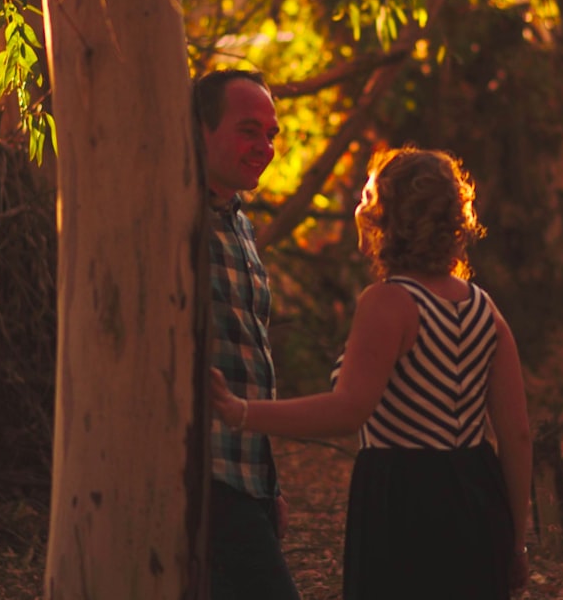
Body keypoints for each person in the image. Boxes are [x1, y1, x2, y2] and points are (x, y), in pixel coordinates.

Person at [210, 145, 532, 599]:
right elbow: (517, 435)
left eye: (367, 196)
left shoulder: (388, 303)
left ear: (391, 217)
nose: (359, 208)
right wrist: (514, 542)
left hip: (406, 501)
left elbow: (346, 412)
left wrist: (240, 412)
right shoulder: (485, 308)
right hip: (479, 498)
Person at [193, 69, 300, 600]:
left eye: (271, 134)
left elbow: (249, 359)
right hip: (199, 475)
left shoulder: (239, 222)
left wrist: (269, 485)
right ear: (199, 130)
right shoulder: (171, 216)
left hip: (246, 475)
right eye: (248, 130)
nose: (265, 147)